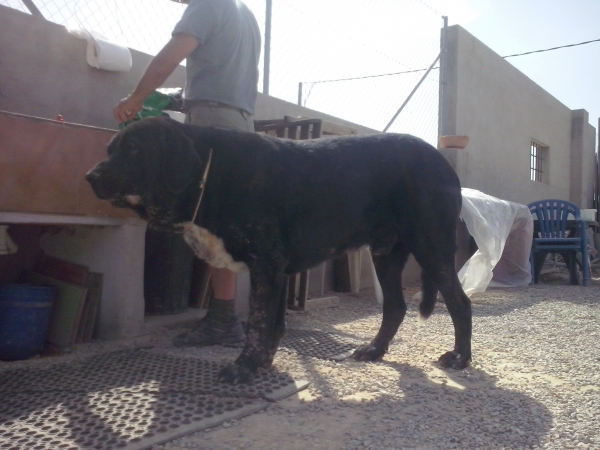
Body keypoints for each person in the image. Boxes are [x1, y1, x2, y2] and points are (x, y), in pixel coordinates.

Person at [114, 0, 261, 347]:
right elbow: (224, 73)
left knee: (209, 223)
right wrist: (184, 98)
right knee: (224, 222)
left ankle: (224, 322)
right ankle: (225, 318)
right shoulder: (245, 14)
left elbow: (170, 57)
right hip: (240, 122)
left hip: (212, 123)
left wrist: (135, 98)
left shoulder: (207, 4)